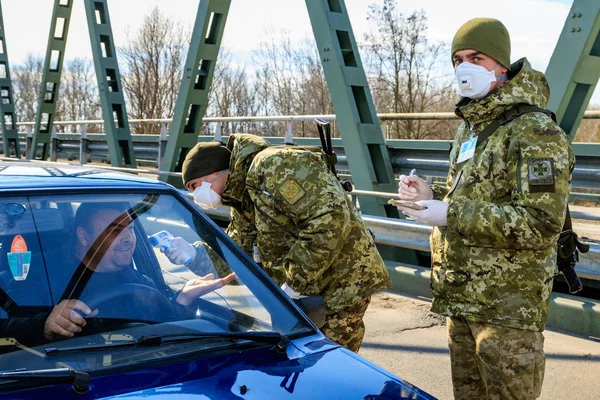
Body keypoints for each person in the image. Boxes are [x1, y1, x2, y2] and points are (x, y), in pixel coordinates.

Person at [396, 18, 574, 400]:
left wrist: (450, 215)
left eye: (476, 56)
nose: (465, 67)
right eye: (458, 59)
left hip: (507, 309)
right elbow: (474, 196)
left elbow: (541, 222)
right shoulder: (470, 128)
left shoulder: (534, 131)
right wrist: (434, 194)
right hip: (462, 298)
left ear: (502, 64)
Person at [180, 134, 391, 352]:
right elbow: (237, 257)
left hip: (341, 285)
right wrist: (193, 256)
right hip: (302, 298)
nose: (196, 195)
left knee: (329, 368)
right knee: (300, 366)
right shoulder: (242, 195)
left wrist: (293, 282)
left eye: (195, 185)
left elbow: (330, 219)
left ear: (214, 171)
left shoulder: (275, 166)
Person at [40, 203, 235, 342]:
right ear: (83, 235)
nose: (128, 238)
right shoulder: (41, 272)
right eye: (115, 231)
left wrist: (182, 300)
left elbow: (162, 328)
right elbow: (11, 324)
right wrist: (45, 323)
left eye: (131, 228)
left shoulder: (139, 280)